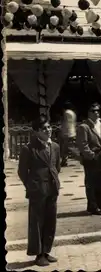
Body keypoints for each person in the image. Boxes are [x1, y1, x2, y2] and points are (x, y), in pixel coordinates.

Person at [18, 114, 61, 266]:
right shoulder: (28, 149)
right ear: (36, 131)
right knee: (37, 222)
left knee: (50, 221)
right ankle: (38, 254)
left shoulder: (54, 146)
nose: (48, 130)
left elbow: (57, 166)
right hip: (38, 190)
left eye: (49, 127)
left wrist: (54, 181)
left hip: (52, 188)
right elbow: (22, 172)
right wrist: (32, 186)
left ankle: (46, 251)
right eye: (44, 128)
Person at [76, 102, 101, 215]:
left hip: (100, 155)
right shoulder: (84, 126)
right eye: (93, 111)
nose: (96, 113)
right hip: (91, 157)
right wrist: (90, 154)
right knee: (91, 182)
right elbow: (82, 144)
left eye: (97, 111)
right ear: (88, 113)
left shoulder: (99, 124)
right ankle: (93, 205)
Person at [60, 102, 77, 167]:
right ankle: (64, 161)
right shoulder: (73, 113)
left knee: (68, 148)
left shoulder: (66, 113)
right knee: (67, 147)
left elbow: (65, 123)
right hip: (72, 131)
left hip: (67, 132)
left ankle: (79, 156)